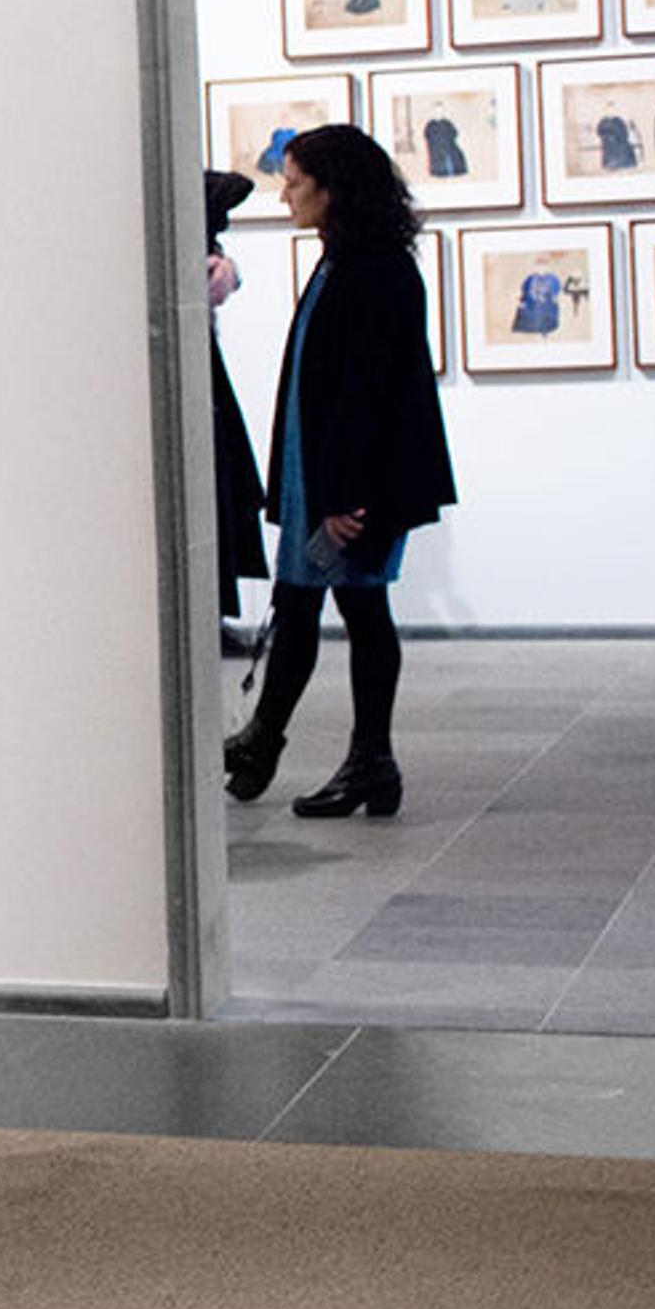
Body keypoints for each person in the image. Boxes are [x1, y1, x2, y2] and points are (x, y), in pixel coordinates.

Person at [222, 124, 455, 819]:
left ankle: (368, 761)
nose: (285, 194)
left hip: (352, 487)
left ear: (334, 188)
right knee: (301, 602)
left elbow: (371, 394)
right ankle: (269, 741)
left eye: (295, 181)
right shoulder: (344, 259)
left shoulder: (376, 270)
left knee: (361, 607)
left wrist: (346, 495)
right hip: (323, 478)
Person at [204, 169, 266, 621]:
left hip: (208, 377)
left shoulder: (210, 257)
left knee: (223, 490)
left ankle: (216, 613)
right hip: (204, 376)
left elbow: (237, 184)